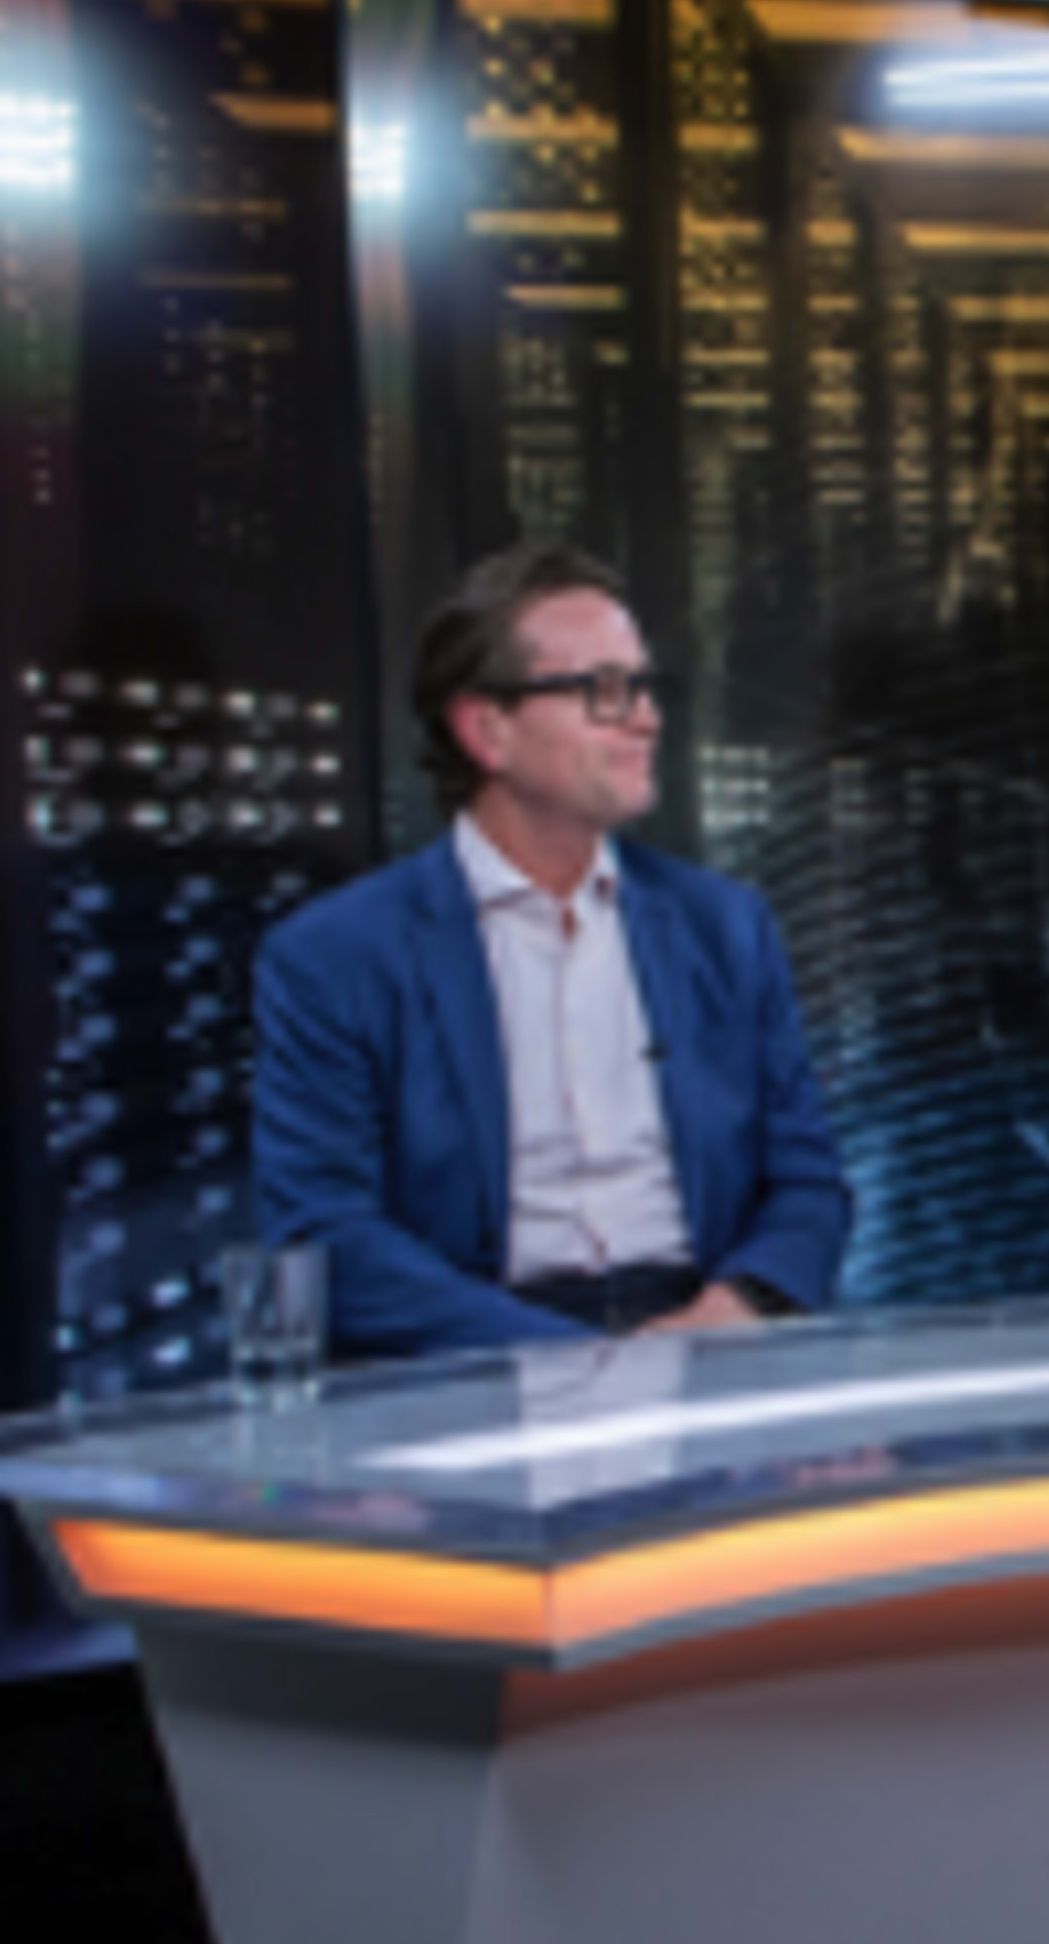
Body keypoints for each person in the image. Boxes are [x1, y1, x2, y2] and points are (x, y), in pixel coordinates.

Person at [254, 544, 848, 1356]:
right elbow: (326, 1233)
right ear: (486, 730)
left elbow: (808, 1185)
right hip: (475, 1353)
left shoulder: (726, 927)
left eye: (642, 687)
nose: (645, 717)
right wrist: (577, 1366)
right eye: (603, 691)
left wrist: (729, 1314)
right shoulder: (335, 956)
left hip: (702, 1336)